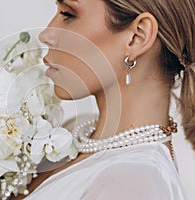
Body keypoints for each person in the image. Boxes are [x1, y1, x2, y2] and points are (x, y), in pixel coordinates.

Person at [16, 0, 194, 199]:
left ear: (137, 37)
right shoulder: (73, 132)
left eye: (68, 14)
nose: (46, 35)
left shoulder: (134, 183)